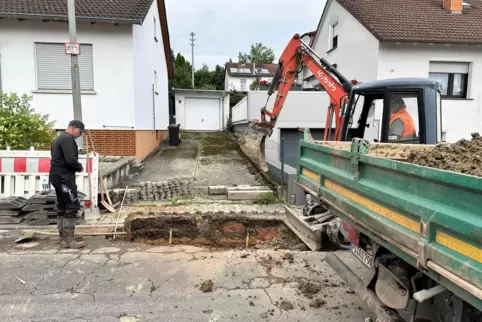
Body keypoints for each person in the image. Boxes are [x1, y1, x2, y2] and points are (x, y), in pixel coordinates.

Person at [49, 120, 85, 248]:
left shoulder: (58, 139)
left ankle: (63, 236)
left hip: (56, 176)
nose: (80, 135)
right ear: (73, 128)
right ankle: (69, 240)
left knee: (62, 206)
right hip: (64, 177)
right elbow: (70, 159)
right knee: (72, 205)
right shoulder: (67, 139)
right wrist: (79, 166)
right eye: (80, 132)